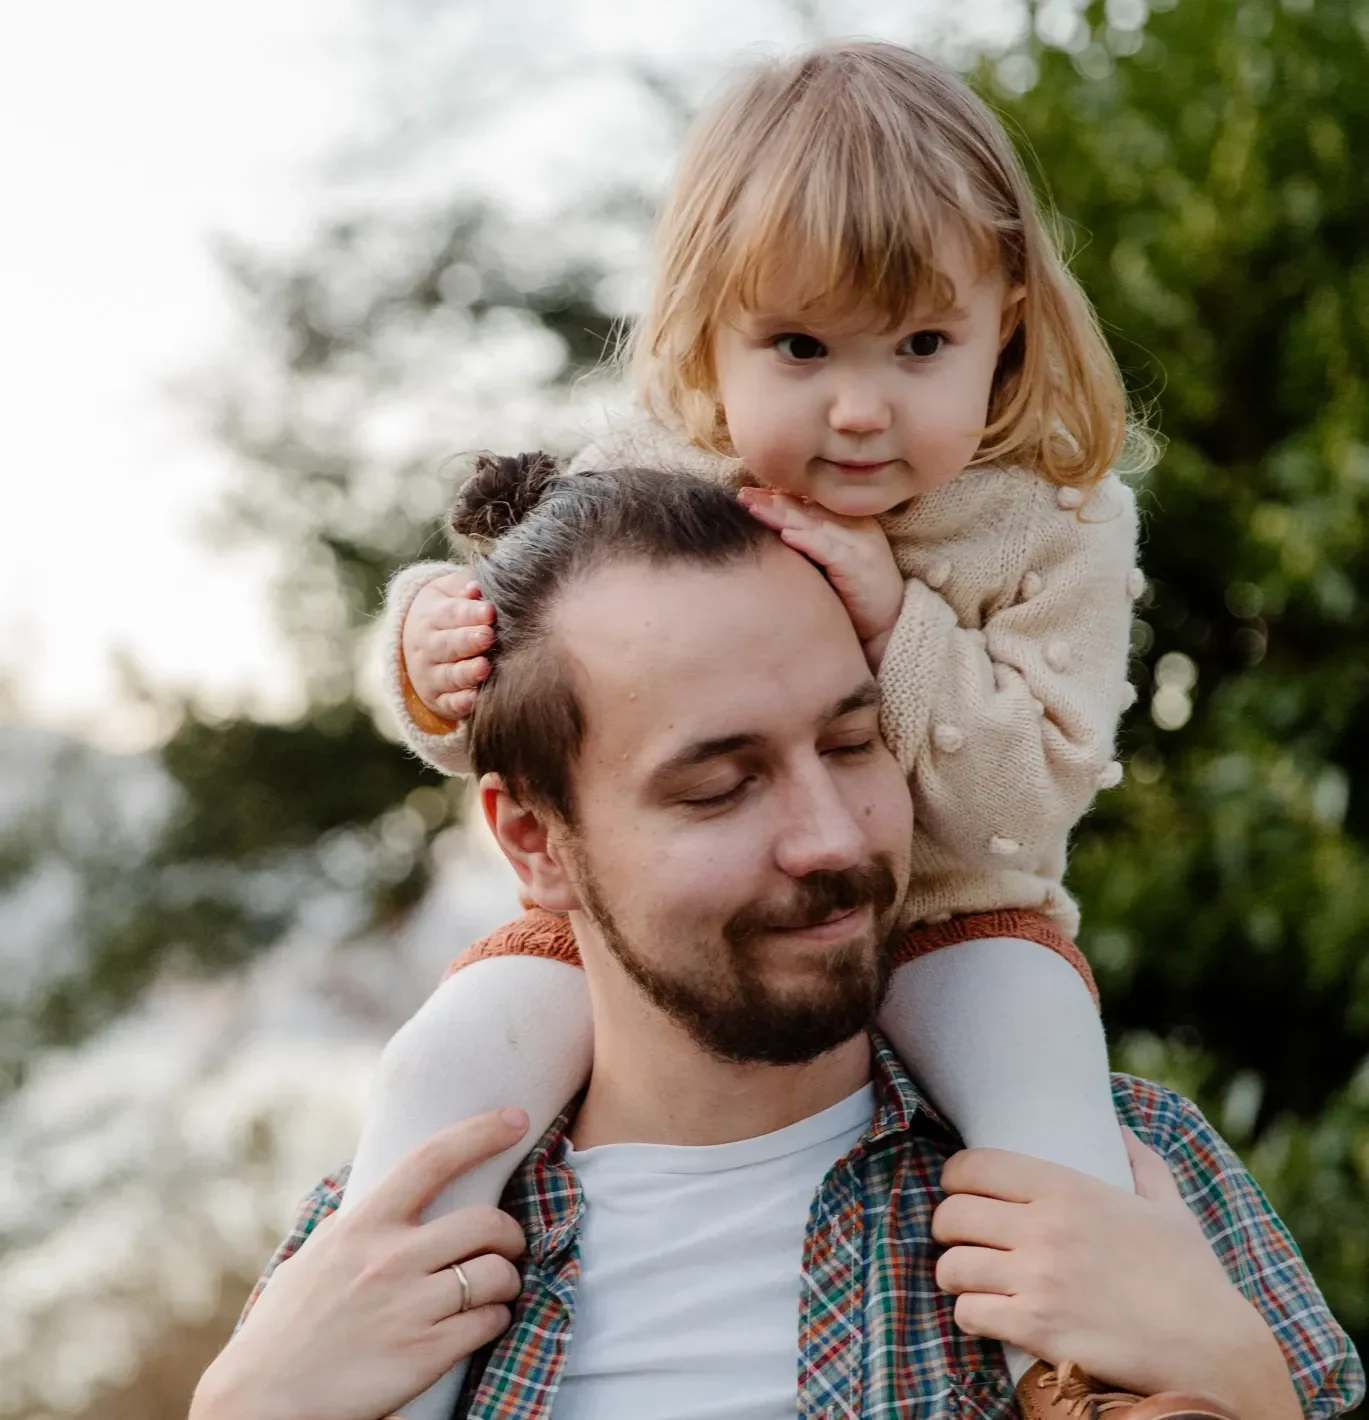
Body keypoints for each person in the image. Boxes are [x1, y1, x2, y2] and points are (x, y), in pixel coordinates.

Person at [192, 461, 1364, 1420]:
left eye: (853, 745)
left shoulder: (1123, 1174)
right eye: (719, 786)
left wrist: (1248, 1395)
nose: (828, 835)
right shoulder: (391, 1251)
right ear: (535, 840)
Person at [361, 40, 1149, 1414]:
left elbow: (1029, 802)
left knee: (1043, 1085)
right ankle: (384, 1372)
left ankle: (1084, 1378)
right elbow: (525, 718)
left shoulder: (1054, 522)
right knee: (445, 1062)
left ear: (1007, 320)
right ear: (705, 334)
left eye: (921, 346)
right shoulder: (661, 488)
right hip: (653, 944)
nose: (859, 407)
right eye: (798, 347)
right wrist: (432, 658)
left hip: (962, 916)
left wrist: (900, 621)